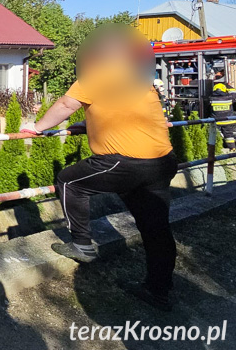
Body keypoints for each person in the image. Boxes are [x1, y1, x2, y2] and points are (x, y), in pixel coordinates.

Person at [25, 25, 178, 311]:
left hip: (126, 161)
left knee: (70, 181)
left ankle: (82, 245)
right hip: (162, 161)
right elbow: (123, 111)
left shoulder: (97, 74)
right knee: (156, 230)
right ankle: (159, 291)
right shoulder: (137, 77)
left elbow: (66, 103)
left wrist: (37, 127)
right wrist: (91, 124)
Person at [210, 82, 236, 149]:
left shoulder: (211, 99)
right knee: (229, 136)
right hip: (228, 121)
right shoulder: (229, 97)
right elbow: (234, 92)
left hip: (216, 122)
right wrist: (228, 86)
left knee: (214, 136)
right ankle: (232, 149)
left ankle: (217, 149)